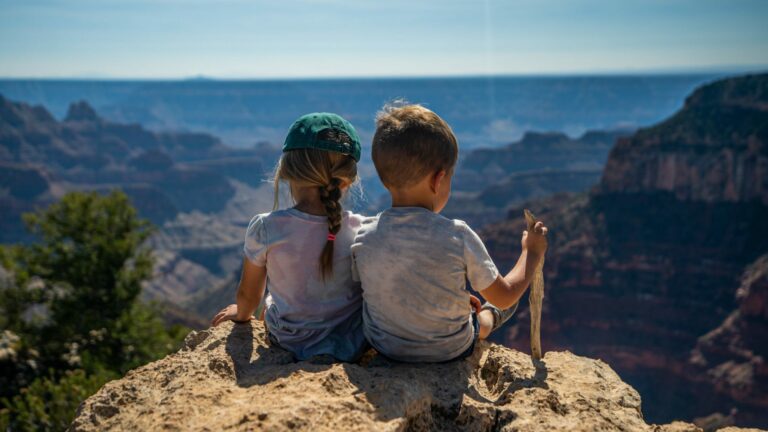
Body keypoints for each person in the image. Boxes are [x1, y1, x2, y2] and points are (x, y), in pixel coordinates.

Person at [351, 103, 549, 363]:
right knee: (491, 313)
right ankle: (487, 320)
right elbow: (505, 295)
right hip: (449, 349)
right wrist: (531, 252)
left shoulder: (364, 235)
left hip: (386, 347)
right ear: (438, 180)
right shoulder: (457, 235)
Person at [212, 112, 368, 362]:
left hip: (288, 341)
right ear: (347, 180)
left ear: (287, 170)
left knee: (270, 304)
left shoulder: (266, 227)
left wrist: (240, 314)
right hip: (350, 346)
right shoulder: (363, 230)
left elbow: (249, 297)